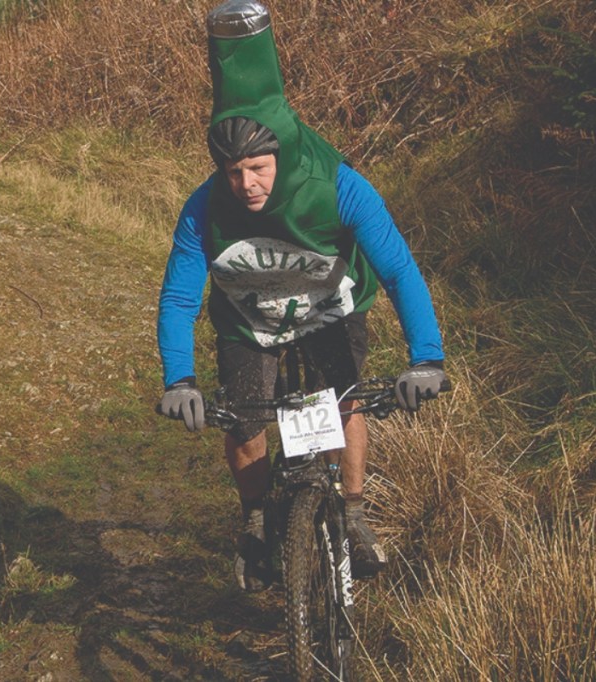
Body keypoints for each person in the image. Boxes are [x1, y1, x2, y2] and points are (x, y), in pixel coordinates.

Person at [156, 0, 447, 590]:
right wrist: (179, 379)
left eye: (258, 167)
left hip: (330, 309)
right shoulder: (205, 208)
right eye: (233, 171)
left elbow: (398, 269)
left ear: (281, 155)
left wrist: (427, 358)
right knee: (243, 419)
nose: (246, 184)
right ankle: (258, 518)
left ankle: (356, 511)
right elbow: (180, 297)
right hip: (249, 320)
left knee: (346, 401)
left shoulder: (338, 184)